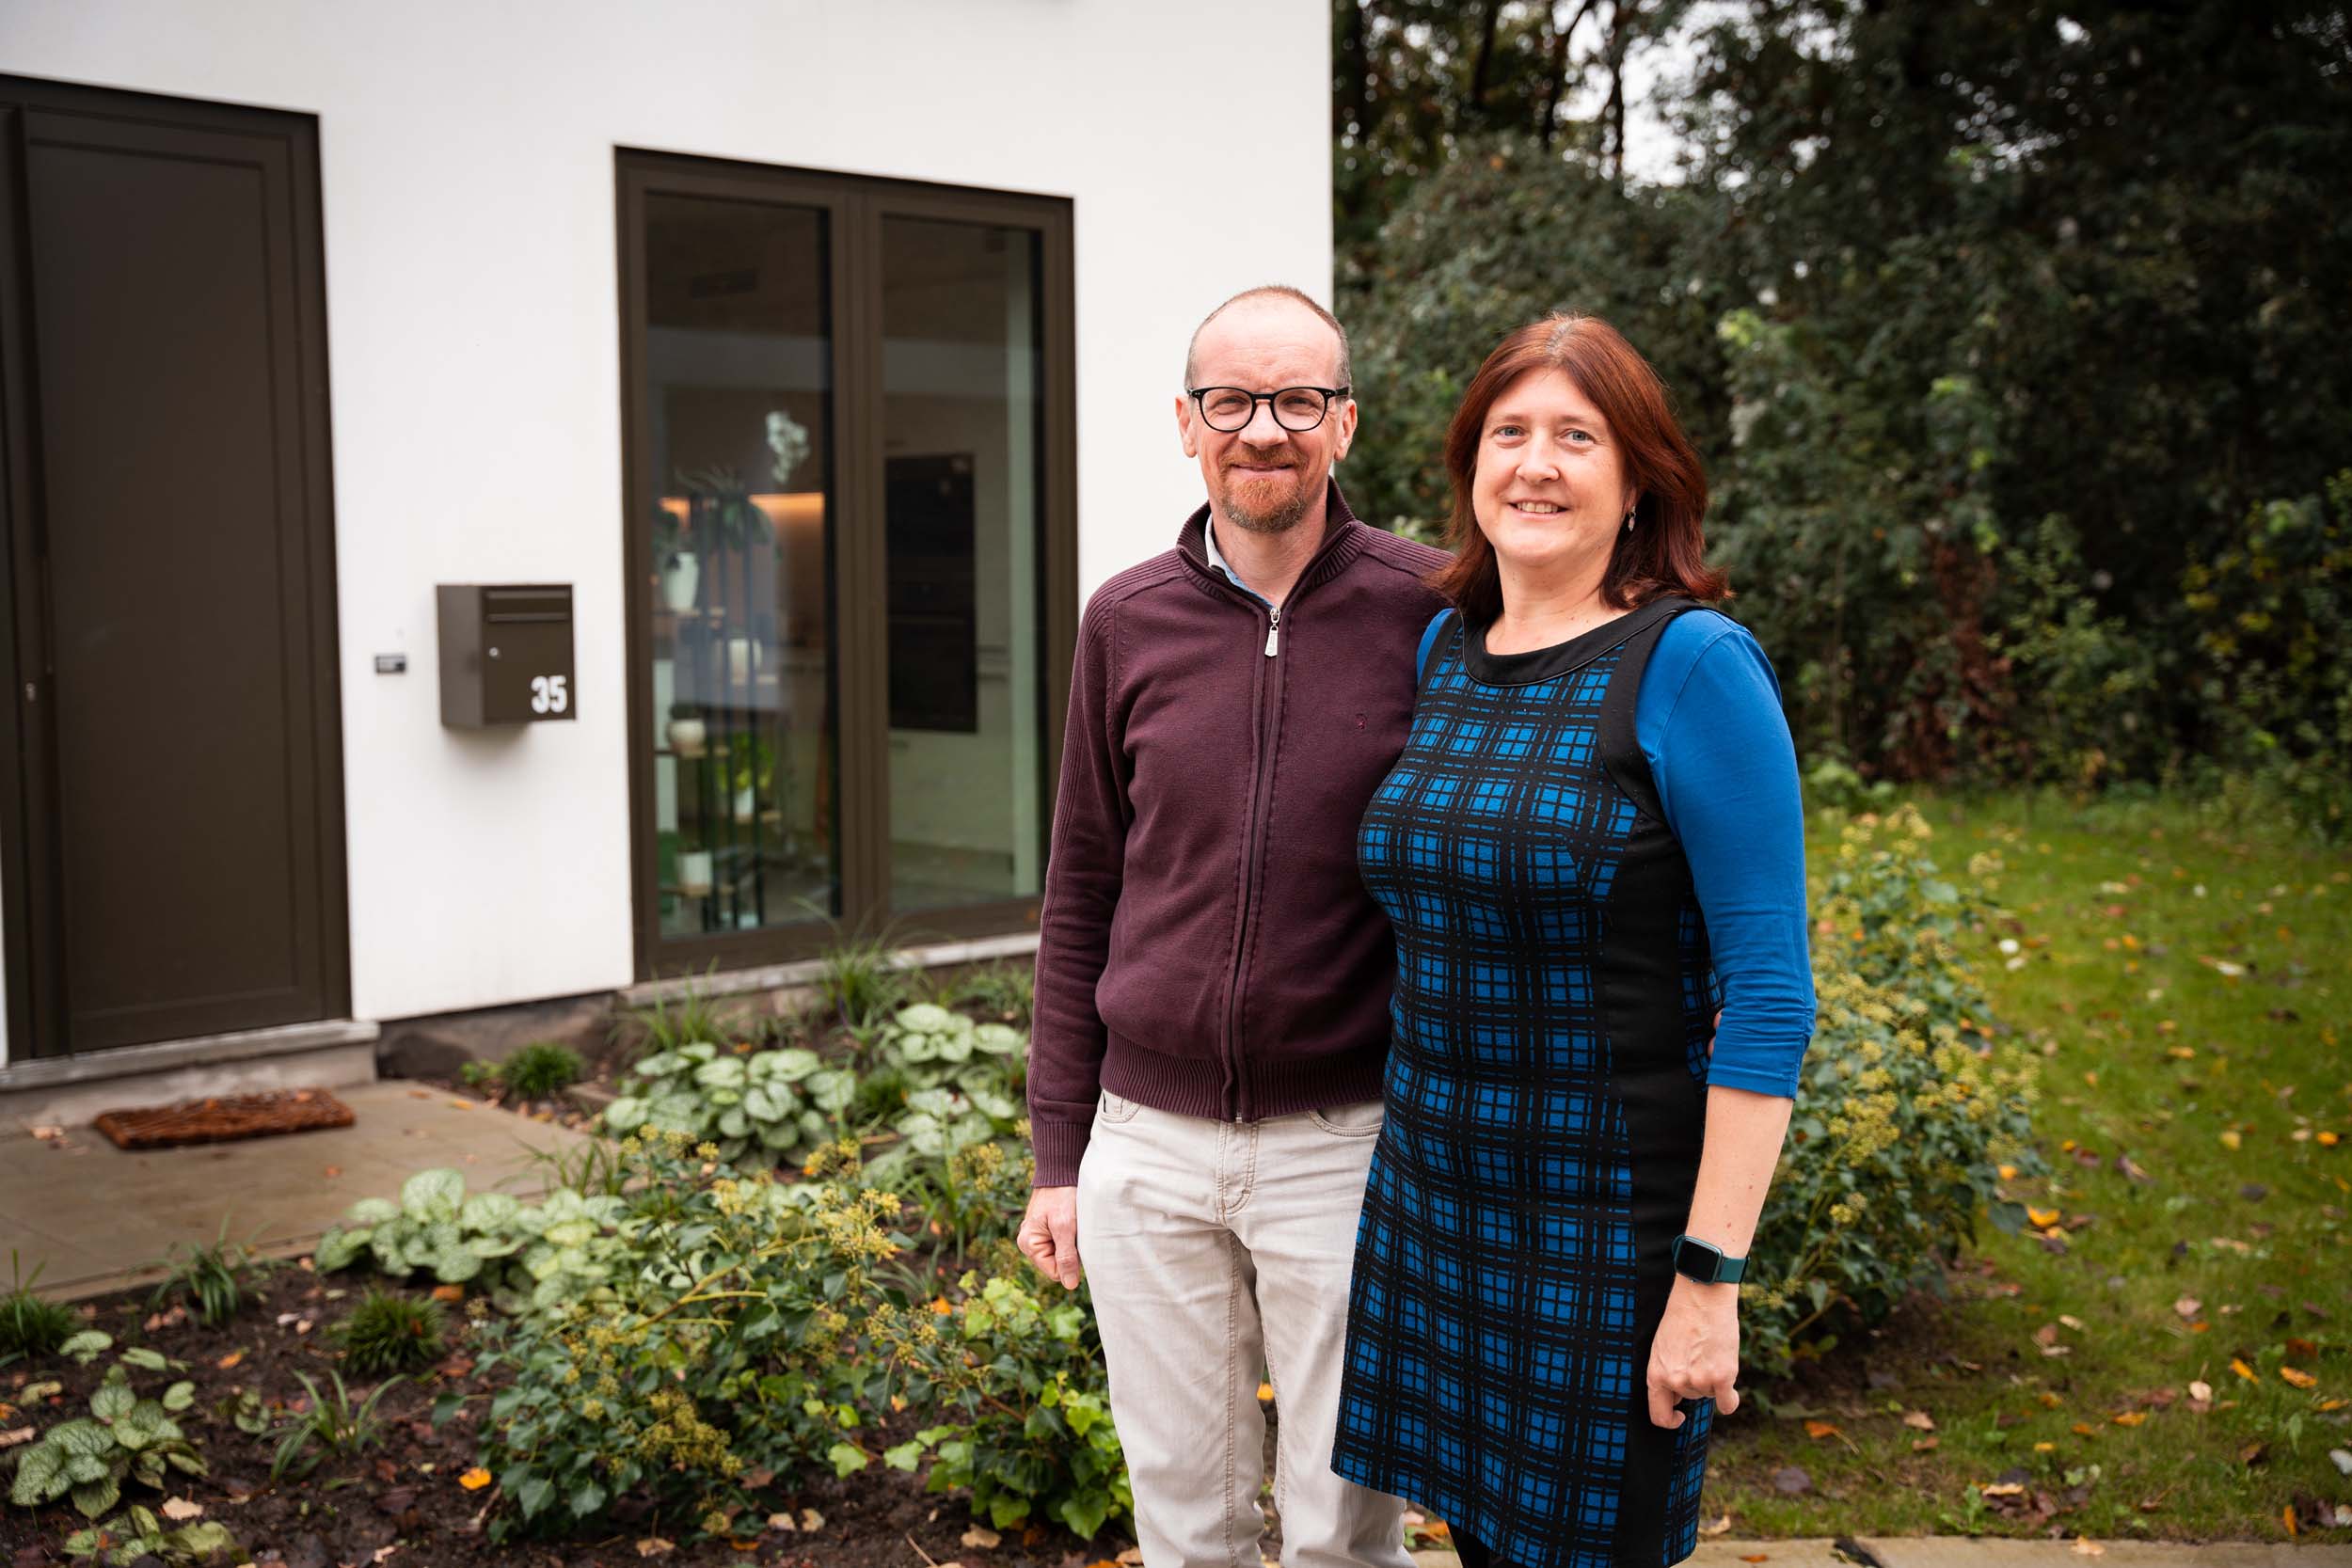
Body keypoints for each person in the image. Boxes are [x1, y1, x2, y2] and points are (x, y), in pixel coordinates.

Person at [1329, 314, 1816, 1568]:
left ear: (1639, 477)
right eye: (1510, 433)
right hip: (1439, 1208)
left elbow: (1769, 997)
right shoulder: (1447, 646)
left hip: (1609, 1233)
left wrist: (1710, 1283)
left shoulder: (1692, 666)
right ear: (1470, 465)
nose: (1535, 464)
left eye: (1575, 436)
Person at [1017, 284, 1448, 1568]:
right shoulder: (1126, 617)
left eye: (1297, 399)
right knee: (1186, 1529)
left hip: (1346, 1143)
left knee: (1345, 1537)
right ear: (1187, 423)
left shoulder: (1433, 606)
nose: (1265, 428)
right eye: (1233, 401)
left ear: (1346, 422)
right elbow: (1083, 886)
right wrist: (1058, 1151)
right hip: (1147, 1150)